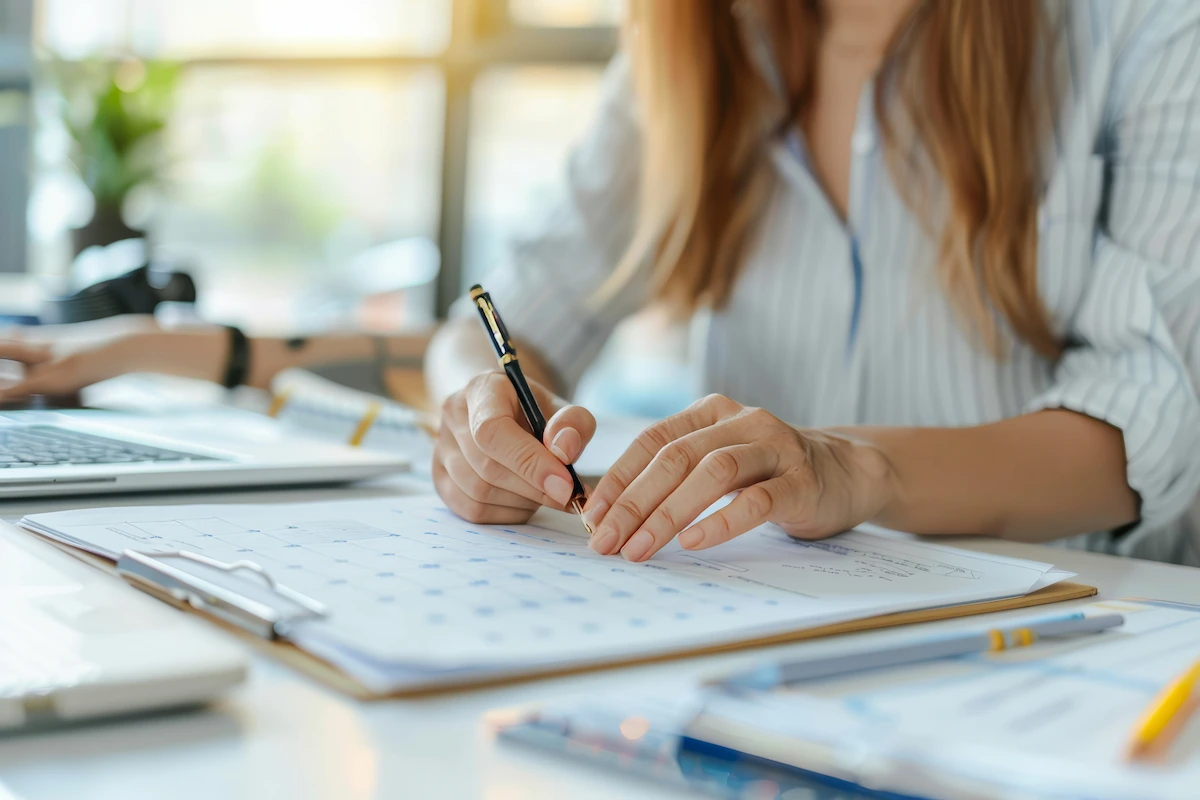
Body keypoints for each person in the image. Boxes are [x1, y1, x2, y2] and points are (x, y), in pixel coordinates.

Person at [2, 0, 1198, 565]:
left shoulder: (1137, 30)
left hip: (1073, 641)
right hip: (760, 629)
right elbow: (503, 316)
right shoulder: (697, 47)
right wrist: (480, 407)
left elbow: (1145, 432)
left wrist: (850, 467)